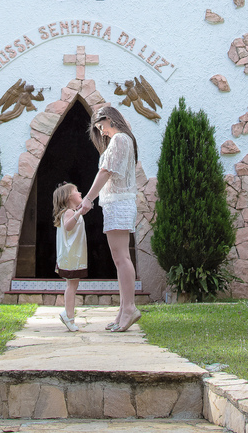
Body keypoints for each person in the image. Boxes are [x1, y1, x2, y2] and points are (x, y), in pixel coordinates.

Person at [80, 106, 141, 332]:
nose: (102, 132)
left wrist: (88, 199)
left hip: (119, 202)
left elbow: (105, 171)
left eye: (101, 126)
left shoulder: (119, 140)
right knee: (119, 259)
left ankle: (129, 308)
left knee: (122, 258)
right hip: (116, 203)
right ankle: (124, 309)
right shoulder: (123, 140)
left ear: (110, 119)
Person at [53, 182, 88, 332]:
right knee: (71, 286)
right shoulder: (68, 212)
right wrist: (79, 213)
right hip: (71, 257)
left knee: (73, 285)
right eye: (76, 190)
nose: (80, 193)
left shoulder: (72, 211)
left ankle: (68, 314)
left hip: (74, 256)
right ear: (68, 197)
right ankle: (69, 316)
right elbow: (68, 226)